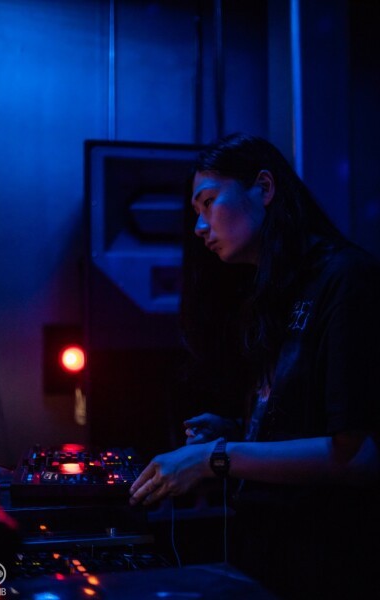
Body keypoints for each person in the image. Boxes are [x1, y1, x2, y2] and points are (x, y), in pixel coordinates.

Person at [129, 134, 380, 599]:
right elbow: (307, 423)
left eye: (208, 203)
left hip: (328, 567)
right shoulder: (273, 289)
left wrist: (215, 457)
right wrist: (241, 431)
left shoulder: (346, 278)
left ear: (264, 188)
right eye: (195, 212)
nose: (199, 227)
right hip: (269, 558)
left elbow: (359, 455)